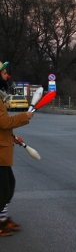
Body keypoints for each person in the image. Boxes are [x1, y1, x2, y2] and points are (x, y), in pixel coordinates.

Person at [0, 61, 34, 237]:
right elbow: (3, 122)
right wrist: (25, 116)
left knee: (8, 186)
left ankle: (3, 219)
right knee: (4, 188)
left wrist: (13, 138)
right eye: (4, 73)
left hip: (2, 150)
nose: (7, 75)